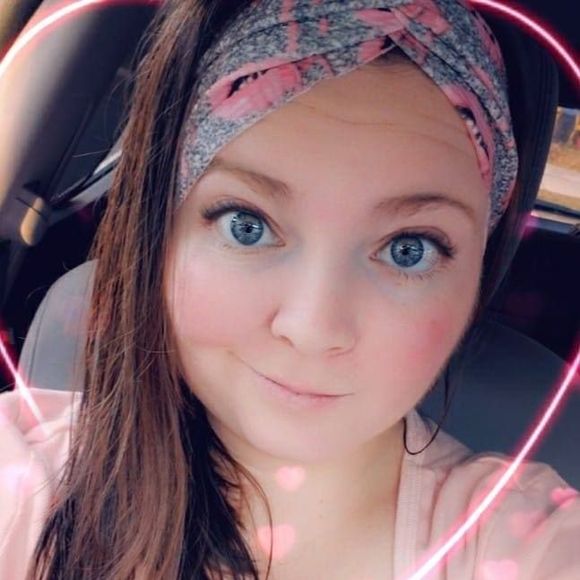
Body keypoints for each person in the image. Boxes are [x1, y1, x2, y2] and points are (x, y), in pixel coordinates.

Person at [0, 0, 578, 578]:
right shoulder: (24, 479)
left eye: (410, 249)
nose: (312, 328)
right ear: (161, 232)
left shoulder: (534, 547)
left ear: (478, 272)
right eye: (245, 226)